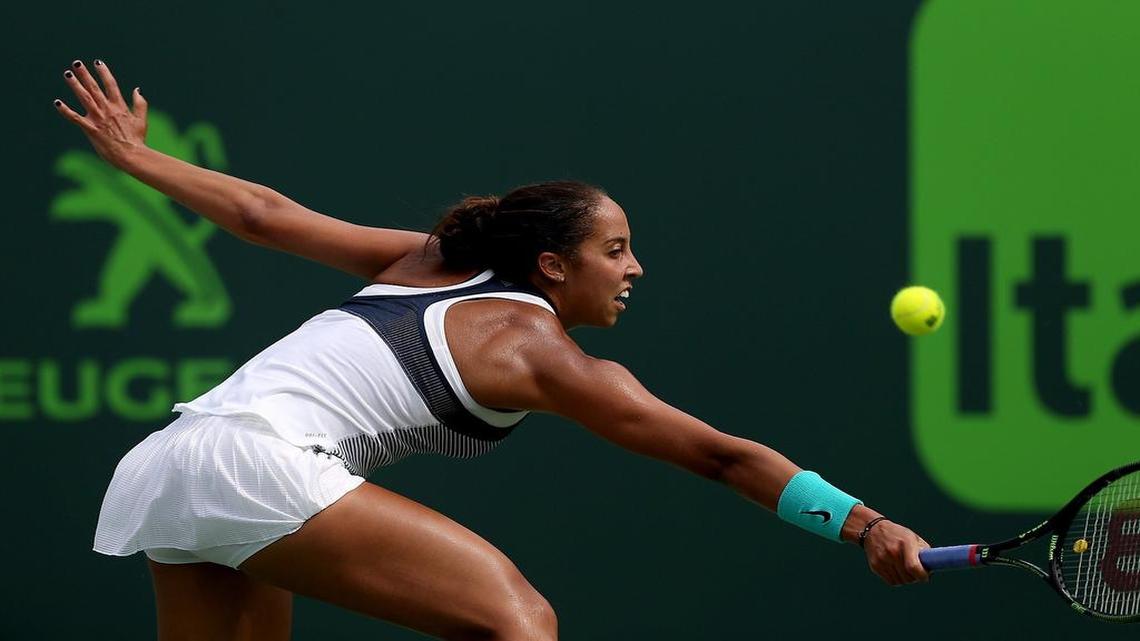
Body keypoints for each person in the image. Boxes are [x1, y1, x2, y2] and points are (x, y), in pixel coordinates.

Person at [56, 59, 930, 641]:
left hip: (169, 463)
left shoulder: (433, 261)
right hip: (258, 462)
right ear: (553, 264)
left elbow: (264, 215)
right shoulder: (539, 353)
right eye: (616, 250)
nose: (636, 268)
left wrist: (139, 160)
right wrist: (865, 523)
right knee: (522, 622)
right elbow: (719, 455)